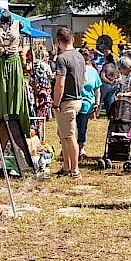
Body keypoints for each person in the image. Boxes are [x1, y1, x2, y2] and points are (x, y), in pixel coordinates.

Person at [51, 27, 85, 178]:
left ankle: (74, 169)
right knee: (62, 133)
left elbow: (60, 84)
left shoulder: (62, 58)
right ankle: (66, 166)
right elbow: (83, 79)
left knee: (69, 136)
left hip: (67, 101)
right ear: (72, 39)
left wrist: (56, 103)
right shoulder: (80, 56)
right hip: (77, 99)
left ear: (58, 42)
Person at [77, 51, 102, 159]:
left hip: (87, 104)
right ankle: (68, 148)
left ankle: (81, 148)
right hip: (74, 102)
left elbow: (97, 89)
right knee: (71, 127)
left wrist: (97, 104)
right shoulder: (75, 70)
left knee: (83, 127)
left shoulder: (93, 72)